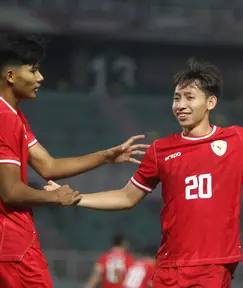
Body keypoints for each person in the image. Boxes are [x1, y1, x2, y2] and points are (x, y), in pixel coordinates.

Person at [46, 58, 243, 287]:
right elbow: (126, 198)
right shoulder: (159, 150)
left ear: (211, 103)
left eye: (189, 97)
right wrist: (77, 198)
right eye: (177, 97)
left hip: (212, 264)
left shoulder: (237, 139)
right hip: (168, 266)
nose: (180, 105)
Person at [0, 33, 147, 288]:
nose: (40, 77)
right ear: (10, 76)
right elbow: (11, 192)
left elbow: (49, 167)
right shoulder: (5, 117)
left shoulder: (15, 117)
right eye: (33, 70)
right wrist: (55, 197)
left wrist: (104, 156)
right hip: (12, 244)